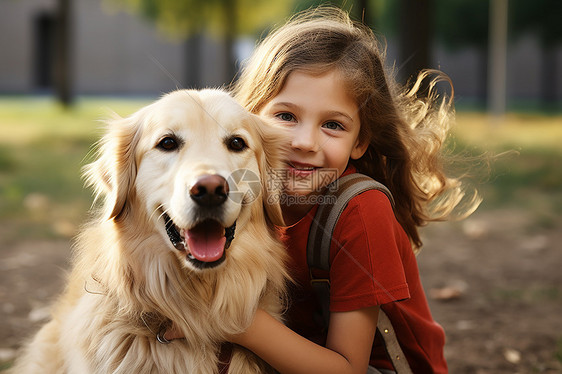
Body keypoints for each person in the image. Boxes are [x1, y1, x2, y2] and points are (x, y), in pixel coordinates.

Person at [167, 7, 480, 374]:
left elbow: (346, 368)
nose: (304, 141)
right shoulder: (235, 194)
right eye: (285, 117)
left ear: (360, 141)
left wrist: (237, 323)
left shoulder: (361, 212)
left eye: (332, 125)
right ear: (250, 121)